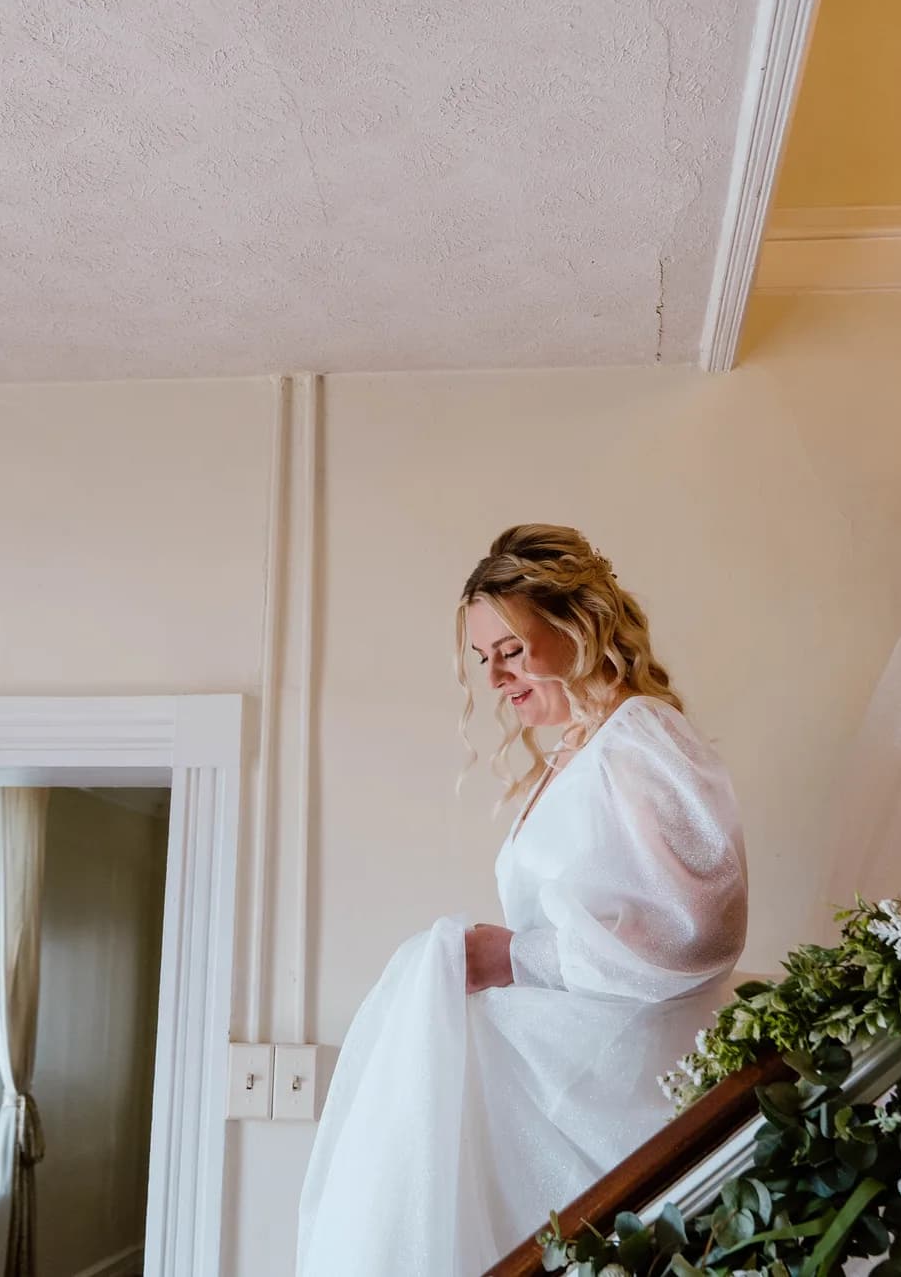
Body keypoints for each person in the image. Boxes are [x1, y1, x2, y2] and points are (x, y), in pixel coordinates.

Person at [296, 524, 748, 1277]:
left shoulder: (639, 736)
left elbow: (697, 926)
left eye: (510, 651)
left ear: (578, 621)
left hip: (617, 1094)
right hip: (559, 1085)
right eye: (484, 661)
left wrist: (515, 954)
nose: (497, 680)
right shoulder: (576, 751)